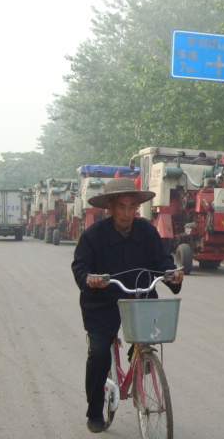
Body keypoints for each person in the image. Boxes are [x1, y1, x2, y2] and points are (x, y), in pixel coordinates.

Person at [71, 177, 183, 433]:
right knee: (99, 354)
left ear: (137, 208)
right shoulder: (93, 235)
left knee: (147, 341)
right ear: (109, 208)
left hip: (140, 297)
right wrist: (89, 279)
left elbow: (162, 260)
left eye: (132, 206)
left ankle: (138, 356)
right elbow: (80, 266)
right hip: (103, 303)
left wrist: (172, 273)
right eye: (121, 207)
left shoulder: (147, 231)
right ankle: (94, 411)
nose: (127, 213)